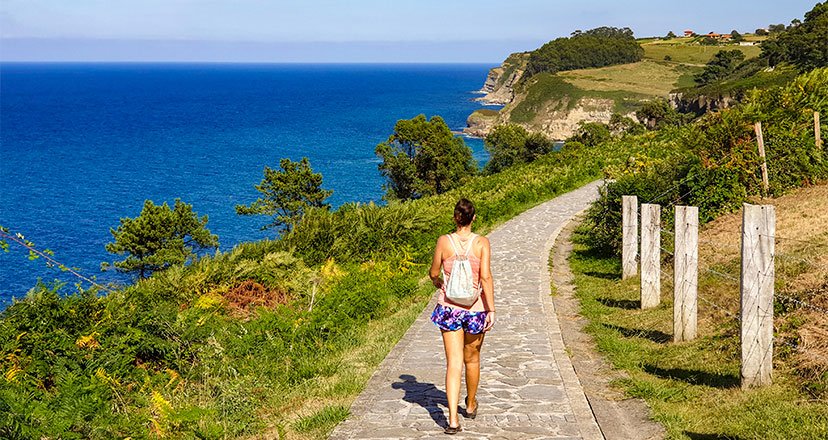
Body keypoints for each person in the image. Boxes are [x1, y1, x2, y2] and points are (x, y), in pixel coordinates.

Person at [428, 198, 495, 435]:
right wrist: (491, 309)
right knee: (472, 359)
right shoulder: (482, 243)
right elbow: (485, 277)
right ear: (473, 217)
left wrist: (438, 282)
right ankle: (470, 403)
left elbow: (434, 272)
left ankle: (453, 420)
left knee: (453, 363)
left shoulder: (444, 242)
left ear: (455, 217)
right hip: (475, 308)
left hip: (449, 308)